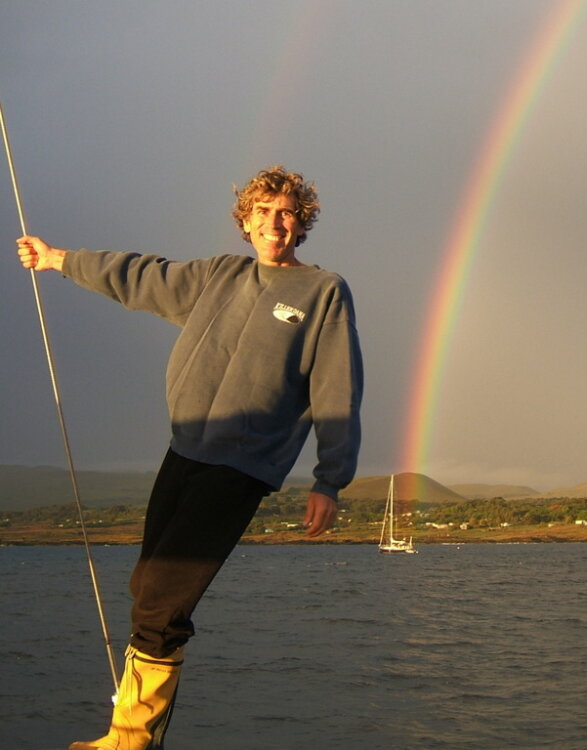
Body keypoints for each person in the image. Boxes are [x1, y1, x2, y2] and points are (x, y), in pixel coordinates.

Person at [17, 165, 363, 750]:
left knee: (162, 599)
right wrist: (58, 259)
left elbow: (337, 389)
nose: (275, 223)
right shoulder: (219, 276)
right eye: (263, 213)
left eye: (287, 213)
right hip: (184, 451)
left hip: (242, 466)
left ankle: (128, 742)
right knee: (148, 587)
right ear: (246, 223)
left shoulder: (323, 291)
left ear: (302, 223)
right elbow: (139, 276)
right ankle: (125, 735)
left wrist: (330, 480)